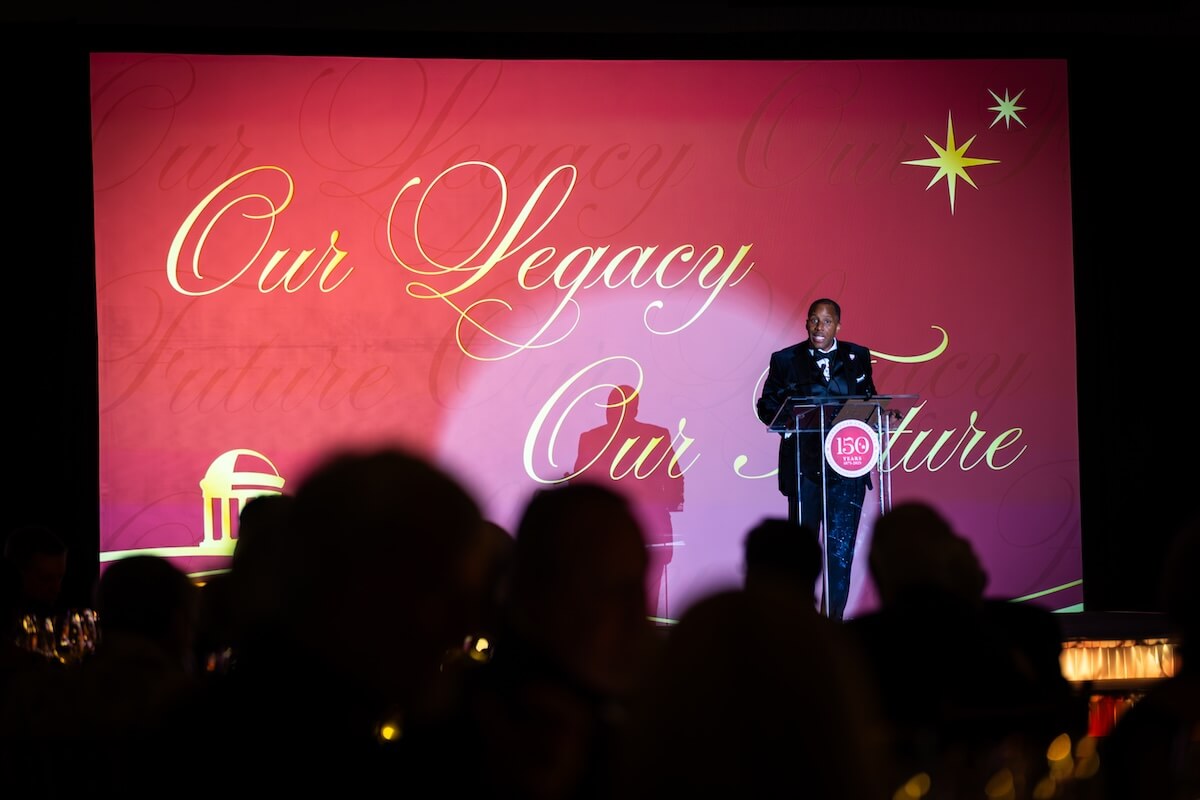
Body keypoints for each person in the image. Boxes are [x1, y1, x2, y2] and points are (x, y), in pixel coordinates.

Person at [755, 297, 879, 620]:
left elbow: (869, 402)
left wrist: (876, 417)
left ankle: (833, 624)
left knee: (840, 553)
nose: (819, 327)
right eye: (813, 320)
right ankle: (801, 624)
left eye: (826, 321)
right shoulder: (786, 360)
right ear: (806, 323)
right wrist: (787, 424)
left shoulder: (858, 357)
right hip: (804, 470)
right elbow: (766, 405)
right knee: (801, 554)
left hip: (847, 471)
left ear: (838, 325)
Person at [571, 384, 684, 619]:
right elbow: (674, 476)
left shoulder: (592, 438)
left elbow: (674, 475)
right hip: (626, 525)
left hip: (616, 525)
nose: (614, 411)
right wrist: (671, 501)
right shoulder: (655, 435)